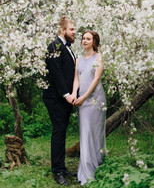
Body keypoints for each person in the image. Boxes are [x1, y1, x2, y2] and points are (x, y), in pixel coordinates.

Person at [43, 16, 76, 186]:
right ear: (62, 30)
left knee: (61, 132)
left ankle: (61, 167)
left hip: (65, 98)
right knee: (58, 132)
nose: (74, 31)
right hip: (55, 97)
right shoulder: (54, 46)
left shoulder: (67, 48)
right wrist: (66, 94)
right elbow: (56, 73)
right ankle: (57, 171)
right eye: (71, 29)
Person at [70, 31, 107, 185]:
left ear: (94, 41)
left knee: (96, 133)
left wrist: (84, 97)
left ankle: (98, 166)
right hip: (81, 101)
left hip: (95, 100)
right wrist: (74, 93)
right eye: (83, 38)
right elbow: (76, 79)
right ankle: (86, 170)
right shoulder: (78, 59)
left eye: (88, 39)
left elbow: (96, 78)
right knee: (85, 133)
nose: (84, 41)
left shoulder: (99, 57)